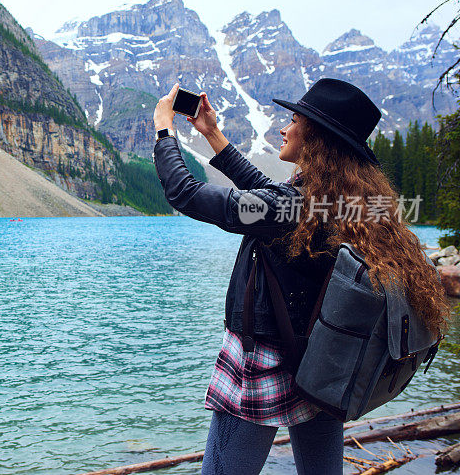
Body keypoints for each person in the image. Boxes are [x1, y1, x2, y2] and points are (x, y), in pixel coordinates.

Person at [151, 78, 449, 475]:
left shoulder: (293, 208)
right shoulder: (345, 202)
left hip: (266, 362)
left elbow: (185, 193)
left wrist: (163, 129)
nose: (284, 128)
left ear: (316, 138)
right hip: (322, 362)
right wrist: (214, 136)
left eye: (293, 120)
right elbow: (270, 195)